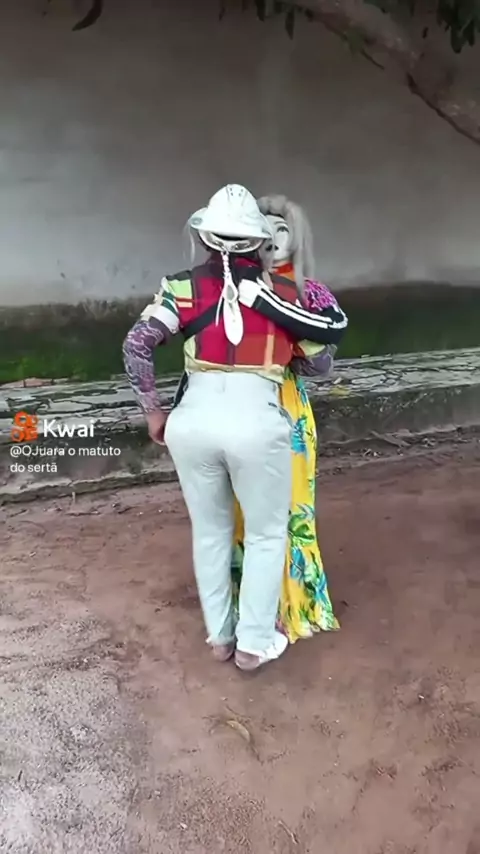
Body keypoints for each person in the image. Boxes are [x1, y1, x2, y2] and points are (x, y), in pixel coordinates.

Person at [123, 184, 347, 671]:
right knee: (267, 534)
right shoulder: (284, 295)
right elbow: (321, 364)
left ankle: (220, 638)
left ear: (205, 237)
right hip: (257, 422)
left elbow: (137, 345)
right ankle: (253, 644)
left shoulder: (180, 287)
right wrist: (285, 348)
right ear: (257, 240)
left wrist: (154, 413)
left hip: (192, 422)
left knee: (210, 532)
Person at [231, 194, 346, 644]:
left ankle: (296, 605)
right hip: (237, 402)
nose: (273, 239)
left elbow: (323, 366)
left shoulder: (312, 293)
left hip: (287, 406)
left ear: (296, 238)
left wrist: (291, 331)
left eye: (282, 230)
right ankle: (249, 608)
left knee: (292, 504)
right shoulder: (230, 286)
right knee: (242, 505)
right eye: (264, 230)